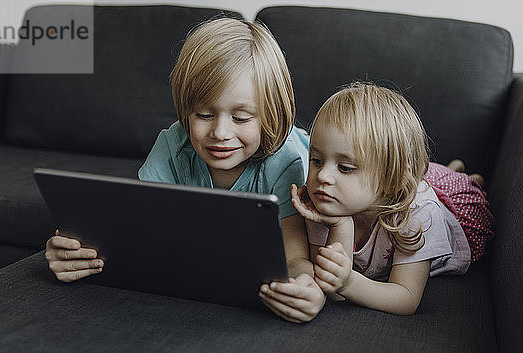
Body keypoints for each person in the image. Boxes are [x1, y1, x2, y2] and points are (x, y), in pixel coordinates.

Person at [45, 17, 326, 323]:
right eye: (204, 114)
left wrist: (306, 287)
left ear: (271, 114)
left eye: (241, 118)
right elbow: (137, 234)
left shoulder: (289, 160)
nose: (220, 132)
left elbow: (297, 257)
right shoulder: (172, 146)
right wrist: (74, 253)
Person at [270, 82, 493, 316]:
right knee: (423, 175)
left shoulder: (419, 214)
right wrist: (340, 224)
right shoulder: (325, 200)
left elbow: (406, 298)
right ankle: (448, 169)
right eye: (316, 160)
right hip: (399, 183)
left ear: (392, 180)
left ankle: (465, 177)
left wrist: (349, 283)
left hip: (456, 211)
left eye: (345, 167)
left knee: (450, 186)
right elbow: (330, 285)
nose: (323, 175)